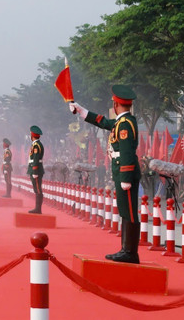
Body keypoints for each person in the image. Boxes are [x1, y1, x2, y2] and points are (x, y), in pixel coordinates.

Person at [70, 85, 141, 264]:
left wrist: (125, 177)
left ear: (116, 104)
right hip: (121, 171)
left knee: (129, 212)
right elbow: (103, 122)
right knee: (125, 211)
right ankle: (126, 249)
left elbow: (126, 151)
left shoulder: (125, 124)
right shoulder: (121, 122)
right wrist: (82, 111)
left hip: (125, 173)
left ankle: (130, 252)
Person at [27, 126, 45, 214]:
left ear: (32, 135)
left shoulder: (36, 145)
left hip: (36, 170)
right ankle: (37, 208)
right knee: (36, 189)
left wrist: (34, 171)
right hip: (35, 169)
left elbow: (36, 158)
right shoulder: (35, 144)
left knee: (38, 189)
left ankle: (38, 209)